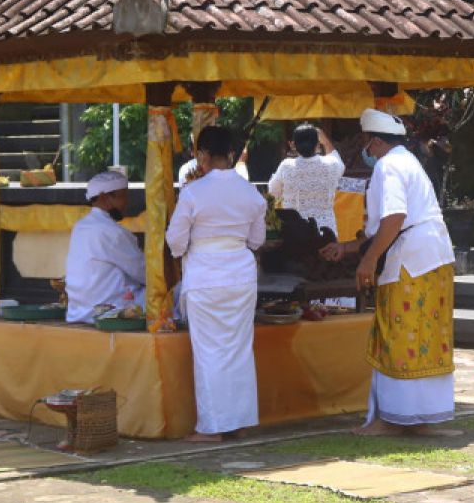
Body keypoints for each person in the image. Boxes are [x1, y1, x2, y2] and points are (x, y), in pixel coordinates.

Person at [320, 108, 457, 436]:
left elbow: (394, 219)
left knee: (398, 331)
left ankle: (392, 418)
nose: (364, 150)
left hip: (411, 259)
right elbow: (384, 227)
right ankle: (421, 416)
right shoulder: (408, 162)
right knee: (426, 335)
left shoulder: (388, 166)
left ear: (376, 141)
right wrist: (349, 248)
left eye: (366, 142)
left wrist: (367, 262)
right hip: (432, 256)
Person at [166, 125, 266, 442]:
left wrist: (189, 249)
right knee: (238, 350)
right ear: (233, 155)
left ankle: (212, 428)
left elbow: (175, 241)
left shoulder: (193, 192)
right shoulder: (251, 193)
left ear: (203, 156)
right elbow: (257, 240)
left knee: (209, 353)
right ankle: (239, 421)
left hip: (206, 276)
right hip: (240, 275)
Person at [64, 171, 147, 324]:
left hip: (78, 311)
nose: (126, 204)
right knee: (172, 293)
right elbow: (145, 273)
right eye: (123, 197)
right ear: (104, 197)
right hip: (109, 311)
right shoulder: (112, 232)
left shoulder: (80, 226)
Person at [267, 124, 344, 236]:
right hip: (326, 233)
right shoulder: (331, 164)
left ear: (293, 145)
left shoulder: (286, 166)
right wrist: (326, 142)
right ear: (317, 145)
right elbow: (336, 158)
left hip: (295, 232)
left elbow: (273, 192)